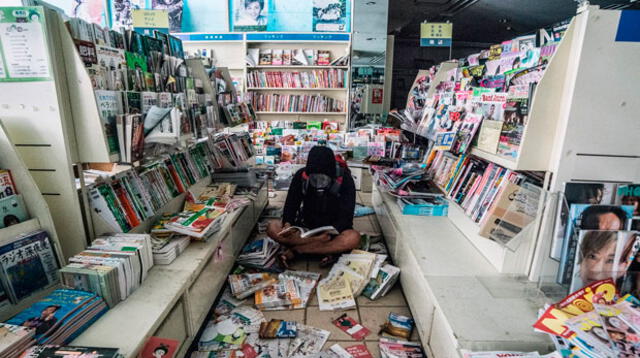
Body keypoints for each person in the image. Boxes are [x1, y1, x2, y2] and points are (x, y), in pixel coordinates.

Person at [267, 146, 359, 266]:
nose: (318, 182)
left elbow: (347, 216)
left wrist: (330, 233)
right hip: (306, 228)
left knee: (353, 238)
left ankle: (299, 250)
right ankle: (319, 248)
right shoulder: (301, 176)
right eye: (315, 178)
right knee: (272, 227)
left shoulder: (345, 180)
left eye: (323, 178)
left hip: (332, 232)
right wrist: (288, 224)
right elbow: (291, 204)